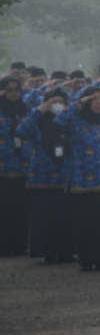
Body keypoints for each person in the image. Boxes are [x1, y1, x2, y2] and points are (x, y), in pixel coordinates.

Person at [52, 86, 100, 271]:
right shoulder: (76, 120)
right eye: (93, 99)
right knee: (86, 223)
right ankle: (86, 259)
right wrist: (79, 103)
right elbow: (58, 119)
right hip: (82, 180)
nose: (98, 102)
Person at [20, 87, 75, 263]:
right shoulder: (38, 120)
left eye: (61, 101)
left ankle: (66, 252)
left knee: (66, 216)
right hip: (41, 177)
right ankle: (47, 252)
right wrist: (40, 110)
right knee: (45, 217)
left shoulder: (69, 121)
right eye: (53, 101)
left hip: (65, 176)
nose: (57, 105)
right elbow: (21, 131)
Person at [0, 74, 31, 256]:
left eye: (16, 90)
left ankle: (20, 245)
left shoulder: (26, 110)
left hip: (22, 168)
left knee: (21, 210)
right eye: (8, 90)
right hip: (2, 170)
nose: (12, 94)